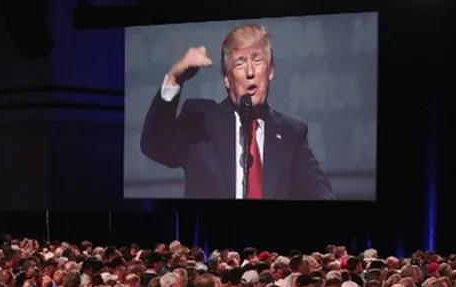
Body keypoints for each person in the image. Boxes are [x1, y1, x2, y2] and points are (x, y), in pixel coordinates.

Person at [139, 24, 334, 200]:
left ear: (270, 71)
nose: (250, 72)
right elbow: (155, 146)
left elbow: (321, 194)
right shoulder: (202, 121)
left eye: (257, 60)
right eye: (239, 63)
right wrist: (174, 79)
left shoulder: (292, 133)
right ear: (227, 79)